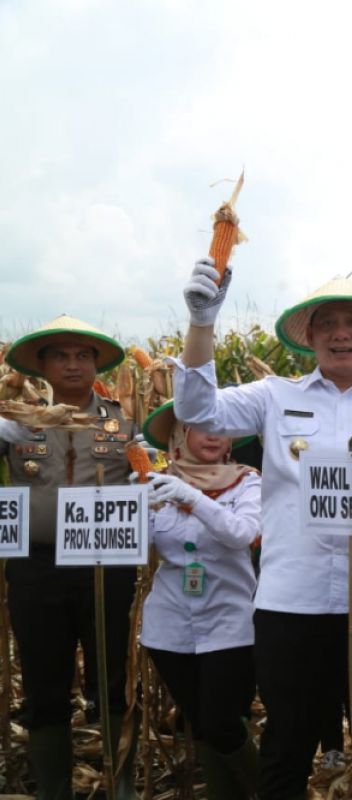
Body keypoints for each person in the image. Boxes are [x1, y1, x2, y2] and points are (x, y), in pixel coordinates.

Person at [174, 263, 352, 799]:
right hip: (291, 602)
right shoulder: (274, 397)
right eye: (327, 323)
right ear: (309, 337)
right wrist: (201, 323)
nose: (340, 333)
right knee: (288, 738)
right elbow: (198, 409)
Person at [0, 315, 138, 800]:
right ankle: (53, 788)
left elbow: (155, 468)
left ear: (97, 364)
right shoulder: (17, 419)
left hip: (108, 562)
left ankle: (120, 777)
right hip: (37, 565)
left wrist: (147, 478)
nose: (73, 364)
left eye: (83, 356)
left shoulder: (123, 420)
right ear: (42, 365)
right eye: (61, 355)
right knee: (43, 673)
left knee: (113, 673)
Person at [139, 401, 261, 799]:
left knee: (223, 721)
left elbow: (243, 533)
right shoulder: (155, 483)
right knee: (202, 724)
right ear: (180, 435)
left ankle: (272, 792)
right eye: (201, 425)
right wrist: (131, 502)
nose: (213, 434)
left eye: (222, 426)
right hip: (169, 625)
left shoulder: (248, 483)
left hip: (231, 623)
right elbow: (135, 549)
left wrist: (192, 498)